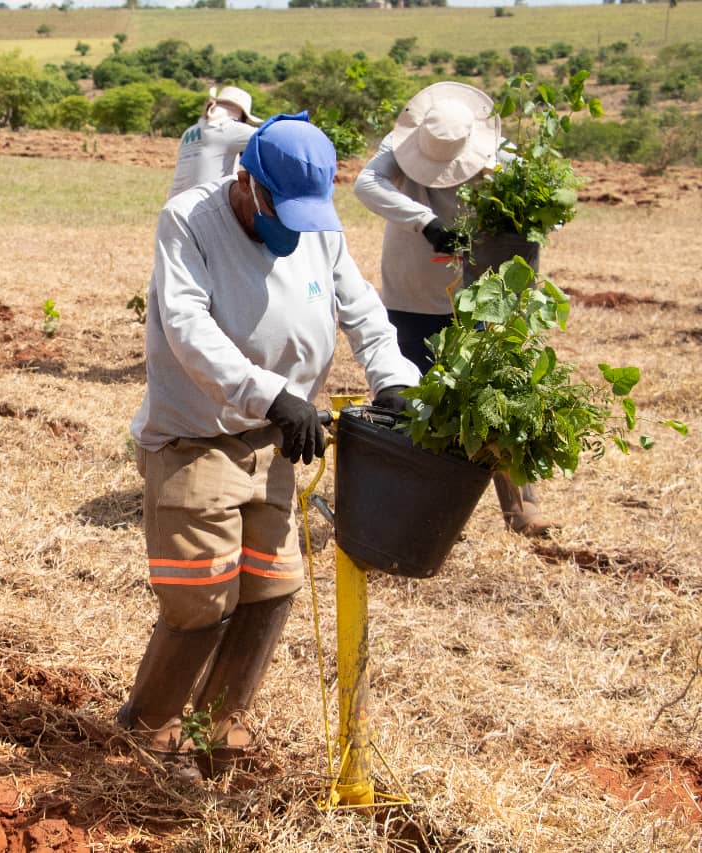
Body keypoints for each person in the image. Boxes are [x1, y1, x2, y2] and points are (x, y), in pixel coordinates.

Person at [121, 113, 421, 781]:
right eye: (278, 208)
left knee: (272, 587)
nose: (291, 227)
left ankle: (218, 731)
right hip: (198, 438)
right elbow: (188, 329)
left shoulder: (318, 227)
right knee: (201, 600)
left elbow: (364, 310)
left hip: (278, 442)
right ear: (246, 180)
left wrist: (395, 378)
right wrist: (272, 394)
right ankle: (148, 730)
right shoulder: (189, 221)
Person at [353, 81, 556, 537]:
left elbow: (539, 214)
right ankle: (421, 508)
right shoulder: (400, 143)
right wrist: (423, 221)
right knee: (415, 398)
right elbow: (366, 183)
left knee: (496, 395)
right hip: (410, 292)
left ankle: (522, 509)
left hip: (476, 295)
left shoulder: (500, 154)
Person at [165, 85, 262, 200]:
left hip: (173, 205)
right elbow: (269, 138)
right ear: (240, 114)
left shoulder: (189, 131)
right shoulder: (228, 128)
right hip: (203, 207)